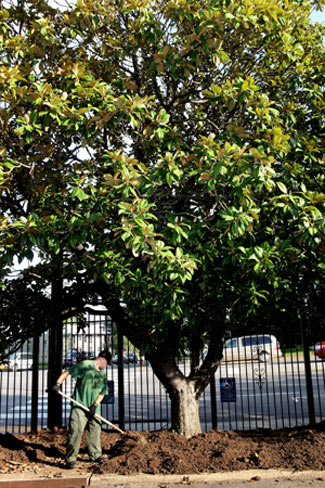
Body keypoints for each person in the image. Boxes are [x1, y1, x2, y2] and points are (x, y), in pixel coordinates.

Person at [53, 349, 112, 469]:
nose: (107, 366)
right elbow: (67, 372)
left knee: (94, 431)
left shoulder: (102, 373)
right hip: (79, 405)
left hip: (94, 408)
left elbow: (103, 392)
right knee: (75, 432)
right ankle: (70, 459)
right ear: (102, 359)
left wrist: (95, 405)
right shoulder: (85, 365)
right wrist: (58, 384)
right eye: (107, 363)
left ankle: (96, 455)